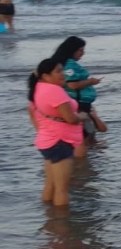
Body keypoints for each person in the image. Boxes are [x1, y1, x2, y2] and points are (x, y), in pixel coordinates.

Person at [27, 59, 84, 208]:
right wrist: (83, 117)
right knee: (62, 190)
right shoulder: (54, 91)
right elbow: (71, 119)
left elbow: (32, 112)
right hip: (60, 141)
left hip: (47, 141)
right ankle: (61, 220)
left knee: (50, 185)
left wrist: (43, 131)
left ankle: (48, 215)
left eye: (62, 70)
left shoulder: (37, 89)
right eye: (58, 71)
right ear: (46, 76)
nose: (62, 74)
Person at [51, 37, 107, 156]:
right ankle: (82, 157)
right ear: (72, 50)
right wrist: (91, 81)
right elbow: (72, 85)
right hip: (78, 103)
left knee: (86, 132)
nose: (83, 53)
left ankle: (87, 152)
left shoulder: (65, 63)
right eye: (80, 50)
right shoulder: (69, 65)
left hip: (80, 103)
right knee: (84, 134)